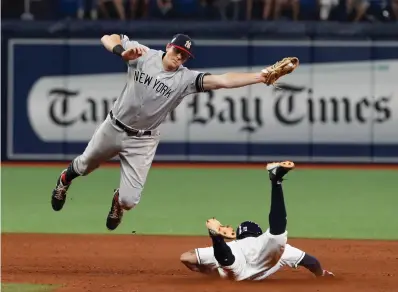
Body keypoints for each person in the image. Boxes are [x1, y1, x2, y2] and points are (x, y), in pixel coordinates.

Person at [50, 33, 298, 231]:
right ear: (168, 47)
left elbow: (223, 80)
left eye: (185, 56)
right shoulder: (143, 55)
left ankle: (117, 200)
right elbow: (108, 37)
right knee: (83, 166)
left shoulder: (185, 79)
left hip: (143, 142)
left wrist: (260, 76)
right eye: (178, 51)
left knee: (129, 201)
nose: (180, 57)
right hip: (114, 127)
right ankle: (64, 180)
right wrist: (121, 51)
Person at [180, 161, 335, 281]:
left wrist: (209, 272)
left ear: (238, 235)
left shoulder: (234, 244)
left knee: (229, 263)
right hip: (265, 254)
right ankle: (276, 182)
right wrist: (321, 274)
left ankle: (217, 240)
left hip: (235, 266)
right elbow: (311, 262)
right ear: (258, 234)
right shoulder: (278, 248)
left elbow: (185, 257)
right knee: (277, 234)